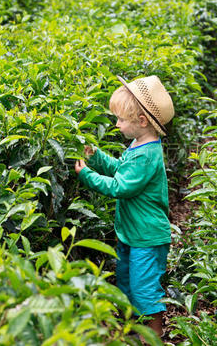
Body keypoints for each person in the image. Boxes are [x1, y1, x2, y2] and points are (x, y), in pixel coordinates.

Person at [74, 75, 174, 338]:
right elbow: (121, 169)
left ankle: (153, 336)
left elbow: (120, 187)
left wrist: (87, 175)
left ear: (142, 122)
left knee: (144, 291)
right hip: (131, 233)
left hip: (147, 236)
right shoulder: (139, 144)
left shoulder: (146, 155)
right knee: (127, 282)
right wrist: (96, 157)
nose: (116, 124)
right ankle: (133, 330)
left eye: (120, 119)